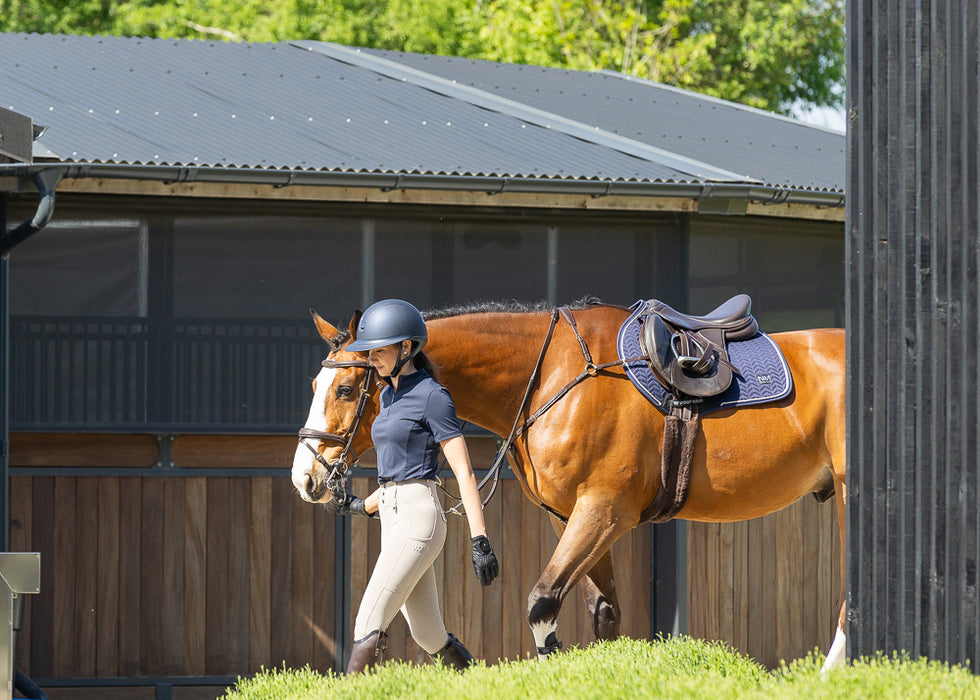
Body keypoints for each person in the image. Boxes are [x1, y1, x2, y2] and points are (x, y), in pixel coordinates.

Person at [330, 298, 499, 674]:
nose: (372, 358)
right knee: (428, 635)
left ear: (406, 348)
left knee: (369, 619)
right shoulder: (387, 396)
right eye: (369, 352)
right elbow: (395, 476)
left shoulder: (433, 397)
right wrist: (360, 506)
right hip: (391, 515)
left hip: (419, 518)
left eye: (379, 350)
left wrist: (479, 539)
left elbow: (463, 471)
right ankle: (479, 685)